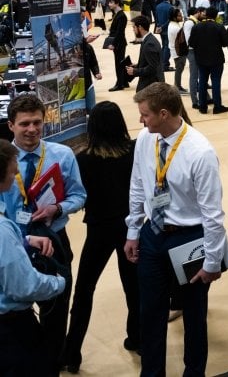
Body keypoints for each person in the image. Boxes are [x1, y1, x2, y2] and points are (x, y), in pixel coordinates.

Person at [124, 82, 228, 376]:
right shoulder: (146, 139)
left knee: (194, 316)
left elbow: (212, 214)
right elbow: (138, 184)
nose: (140, 121)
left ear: (165, 113)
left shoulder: (200, 152)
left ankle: (194, 372)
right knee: (150, 312)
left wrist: (212, 261)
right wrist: (133, 230)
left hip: (189, 237)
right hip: (152, 235)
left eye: (145, 115)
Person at [1, 94, 87, 375]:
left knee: (55, 313)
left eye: (37, 122)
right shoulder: (2, 162)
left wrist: (58, 208)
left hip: (53, 243)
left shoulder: (61, 155)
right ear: (11, 125)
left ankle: (52, 362)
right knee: (16, 311)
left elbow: (79, 195)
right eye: (24, 124)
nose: (32, 129)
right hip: (11, 244)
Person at [62, 102, 140, 373]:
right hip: (130, 228)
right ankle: (137, 337)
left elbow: (78, 196)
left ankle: (72, 351)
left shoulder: (83, 158)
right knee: (133, 286)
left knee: (84, 289)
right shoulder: (133, 152)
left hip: (98, 229)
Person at [0, 138, 66, 376]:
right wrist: (59, 282)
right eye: (11, 169)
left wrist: (24, 241)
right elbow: (24, 287)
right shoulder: (3, 230)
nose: (16, 171)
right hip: (11, 330)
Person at [188, 6, 228, 114]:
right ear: (216, 16)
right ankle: (217, 106)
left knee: (202, 81)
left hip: (201, 59)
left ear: (206, 14)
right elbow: (226, 43)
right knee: (216, 82)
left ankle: (203, 106)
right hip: (216, 58)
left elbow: (191, 43)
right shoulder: (219, 27)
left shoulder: (197, 27)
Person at [125, 15, 165, 93]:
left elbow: (152, 68)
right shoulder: (148, 39)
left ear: (140, 27)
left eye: (134, 27)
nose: (133, 30)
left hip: (151, 86)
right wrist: (137, 65)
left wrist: (135, 71)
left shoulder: (149, 44)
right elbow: (151, 62)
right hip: (151, 84)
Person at [107, 0, 130, 91]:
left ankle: (120, 84)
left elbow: (119, 32)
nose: (109, 4)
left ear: (117, 3)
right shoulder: (116, 14)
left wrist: (113, 44)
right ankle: (124, 81)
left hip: (119, 43)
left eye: (111, 2)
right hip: (118, 42)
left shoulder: (121, 16)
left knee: (118, 63)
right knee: (120, 62)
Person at [166, 7, 188, 94]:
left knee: (179, 69)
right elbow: (183, 39)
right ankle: (177, 87)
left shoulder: (172, 24)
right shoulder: (175, 28)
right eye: (179, 16)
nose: (181, 17)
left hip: (175, 49)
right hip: (178, 51)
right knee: (179, 69)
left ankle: (178, 85)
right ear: (174, 17)